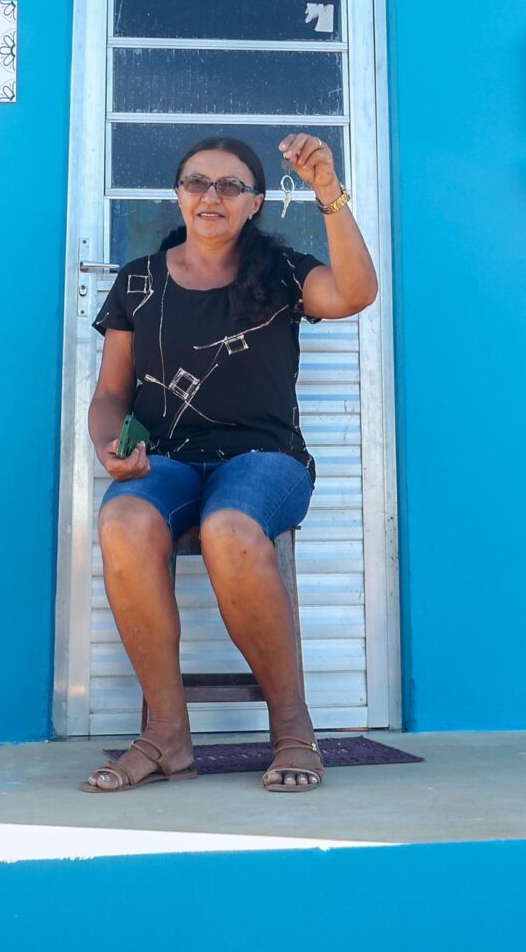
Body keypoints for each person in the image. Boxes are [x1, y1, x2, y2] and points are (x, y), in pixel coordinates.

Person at [82, 134, 378, 795]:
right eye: (196, 182)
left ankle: (294, 728)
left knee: (231, 530)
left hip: (264, 460)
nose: (210, 196)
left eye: (229, 185)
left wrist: (329, 189)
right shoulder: (139, 281)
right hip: (170, 462)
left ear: (256, 202)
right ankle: (166, 734)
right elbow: (110, 395)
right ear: (178, 193)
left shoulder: (280, 274)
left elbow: (356, 293)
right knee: (123, 521)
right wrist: (109, 447)